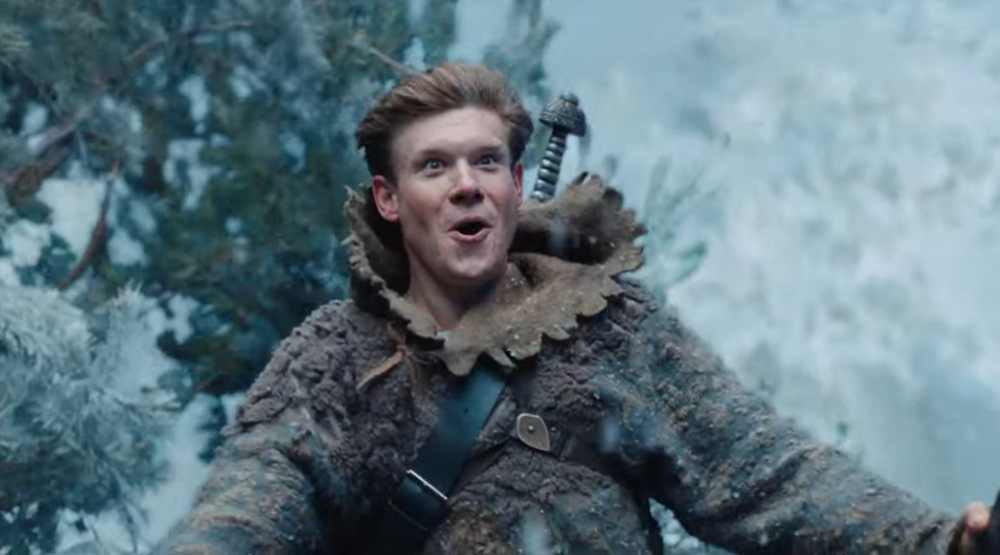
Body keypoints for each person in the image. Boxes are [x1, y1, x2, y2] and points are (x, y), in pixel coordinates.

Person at [151, 62, 997, 555]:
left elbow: (766, 474)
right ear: (388, 198)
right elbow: (249, 504)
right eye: (435, 166)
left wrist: (940, 542)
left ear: (517, 185)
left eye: (487, 162)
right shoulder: (336, 355)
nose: (467, 185)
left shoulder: (612, 328)